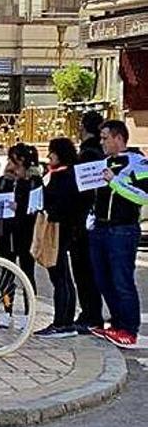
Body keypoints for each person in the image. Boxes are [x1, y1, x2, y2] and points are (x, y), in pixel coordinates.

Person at [89, 120, 146, 348]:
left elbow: (143, 197)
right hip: (100, 228)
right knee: (103, 279)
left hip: (122, 229)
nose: (102, 142)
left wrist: (116, 182)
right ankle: (116, 322)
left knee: (122, 280)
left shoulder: (138, 164)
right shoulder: (102, 163)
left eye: (105, 138)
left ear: (119, 138)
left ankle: (129, 329)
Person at [34, 138, 80, 338]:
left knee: (60, 276)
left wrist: (48, 210)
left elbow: (63, 205)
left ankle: (63, 322)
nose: (49, 156)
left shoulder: (65, 177)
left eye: (52, 152)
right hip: (58, 228)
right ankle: (64, 320)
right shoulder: (56, 175)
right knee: (61, 276)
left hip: (59, 230)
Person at [0, 143, 43, 330]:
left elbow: (36, 206)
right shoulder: (5, 180)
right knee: (5, 274)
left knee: (27, 272)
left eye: (12, 159)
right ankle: (7, 309)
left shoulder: (33, 181)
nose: (9, 163)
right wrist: (5, 180)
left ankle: (28, 312)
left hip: (25, 232)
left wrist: (20, 207)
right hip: (6, 233)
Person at [70, 111, 104, 334]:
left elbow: (81, 191)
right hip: (93, 218)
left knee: (84, 271)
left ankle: (90, 315)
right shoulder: (100, 153)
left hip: (82, 220)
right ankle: (92, 313)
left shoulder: (88, 154)